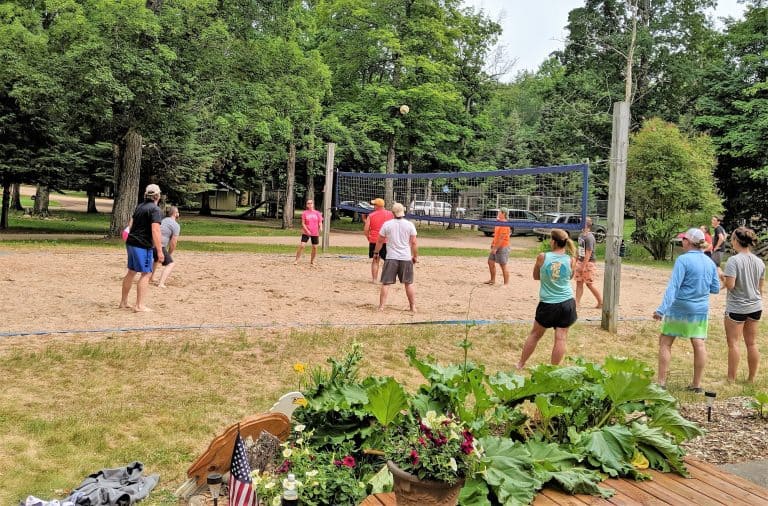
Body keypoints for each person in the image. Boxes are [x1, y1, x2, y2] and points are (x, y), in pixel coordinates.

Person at [653, 228, 719, 391]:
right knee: (698, 343)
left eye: (683, 239)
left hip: (680, 307)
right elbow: (715, 288)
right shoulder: (710, 262)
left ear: (688, 242)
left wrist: (661, 310)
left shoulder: (683, 260)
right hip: (700, 309)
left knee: (666, 342)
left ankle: (661, 382)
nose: (682, 241)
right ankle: (696, 385)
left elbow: (673, 287)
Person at [516, 229, 577, 369]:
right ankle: (553, 370)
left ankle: (520, 364)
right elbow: (569, 277)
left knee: (535, 335)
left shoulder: (542, 257)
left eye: (550, 239)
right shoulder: (571, 259)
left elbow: (536, 276)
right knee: (561, 337)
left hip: (548, 304)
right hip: (567, 302)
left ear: (554, 242)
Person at [720, 227, 764, 383]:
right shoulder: (759, 262)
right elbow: (760, 287)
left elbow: (730, 285)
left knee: (733, 343)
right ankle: (751, 379)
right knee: (751, 343)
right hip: (755, 306)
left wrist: (721, 277)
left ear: (736, 241)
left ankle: (731, 379)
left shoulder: (733, 260)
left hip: (737, 307)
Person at [120, 184, 164, 312]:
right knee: (146, 273)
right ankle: (139, 305)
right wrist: (160, 251)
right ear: (157, 196)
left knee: (131, 271)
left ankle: (123, 302)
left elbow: (130, 224)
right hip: (142, 245)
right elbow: (155, 230)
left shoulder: (139, 206)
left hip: (131, 242)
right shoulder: (155, 210)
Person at [374, 202, 418, 312]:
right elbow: (413, 243)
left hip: (391, 257)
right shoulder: (409, 225)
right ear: (403, 212)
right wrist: (415, 256)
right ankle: (413, 307)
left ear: (393, 213)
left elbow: (380, 240)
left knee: (386, 283)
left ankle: (381, 306)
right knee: (408, 283)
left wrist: (376, 253)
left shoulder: (387, 224)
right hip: (405, 257)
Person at [574, 216, 603, 308]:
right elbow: (580, 249)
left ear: (586, 225)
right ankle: (577, 303)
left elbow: (589, 252)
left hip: (588, 263)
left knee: (589, 284)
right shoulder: (581, 235)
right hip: (581, 261)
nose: (579, 223)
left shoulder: (590, 237)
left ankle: (600, 302)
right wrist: (576, 259)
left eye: (581, 222)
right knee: (579, 283)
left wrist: (583, 265)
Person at [363, 198, 394, 283]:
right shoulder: (391, 214)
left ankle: (374, 280)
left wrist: (368, 237)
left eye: (374, 205)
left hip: (374, 240)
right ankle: (385, 279)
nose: (373, 206)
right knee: (387, 261)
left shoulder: (371, 215)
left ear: (377, 206)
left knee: (375, 260)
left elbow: (366, 229)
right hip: (386, 240)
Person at [150, 206, 181, 288]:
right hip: (159, 245)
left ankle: (151, 277)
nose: (178, 213)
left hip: (150, 244)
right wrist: (169, 253)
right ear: (175, 214)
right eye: (177, 212)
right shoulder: (175, 225)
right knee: (170, 264)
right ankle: (161, 283)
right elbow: (173, 243)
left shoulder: (161, 220)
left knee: (156, 259)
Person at [485, 210, 510, 286]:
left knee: (503, 265)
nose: (498, 214)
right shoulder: (498, 223)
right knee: (490, 262)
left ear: (503, 214)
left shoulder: (504, 224)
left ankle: (506, 284)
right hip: (496, 245)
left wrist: (495, 248)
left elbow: (502, 238)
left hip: (503, 247)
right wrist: (493, 245)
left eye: (499, 212)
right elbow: (496, 236)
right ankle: (492, 280)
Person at [294, 199, 323, 267]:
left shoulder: (317, 213)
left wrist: (321, 227)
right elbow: (303, 223)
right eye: (308, 203)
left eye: (311, 203)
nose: (310, 204)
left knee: (315, 247)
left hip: (315, 232)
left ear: (313, 204)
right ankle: (296, 260)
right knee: (302, 246)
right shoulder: (305, 213)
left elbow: (320, 221)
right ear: (307, 205)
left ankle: (312, 261)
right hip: (306, 232)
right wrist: (307, 230)